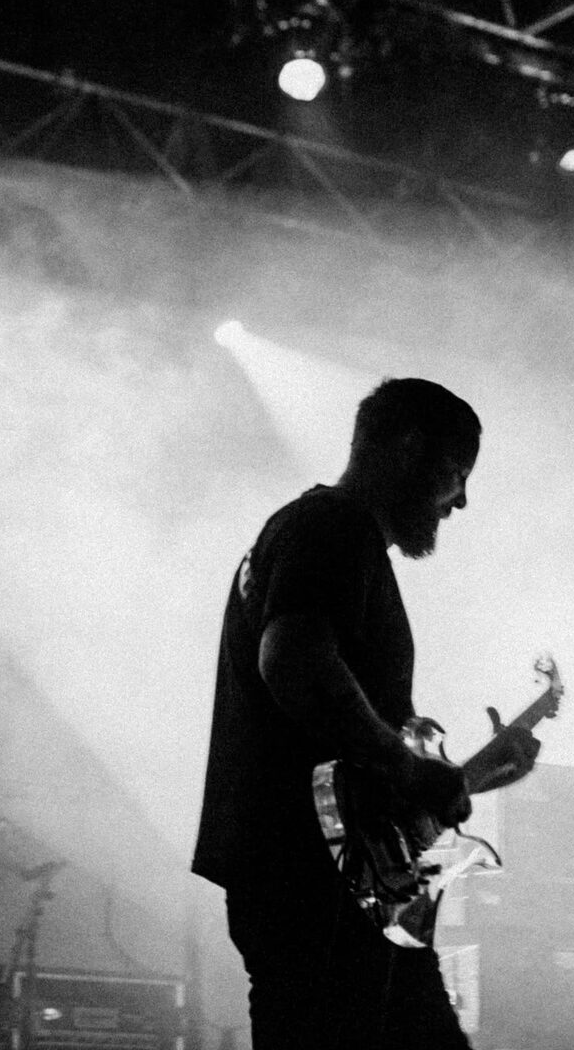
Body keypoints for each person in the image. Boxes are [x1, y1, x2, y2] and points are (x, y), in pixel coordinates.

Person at [192, 377, 540, 1047]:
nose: (460, 500)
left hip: (339, 883)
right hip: (313, 879)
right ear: (409, 448)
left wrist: (472, 775)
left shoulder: (324, 537)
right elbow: (291, 661)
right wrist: (403, 768)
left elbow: (357, 774)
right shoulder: (332, 526)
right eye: (455, 474)